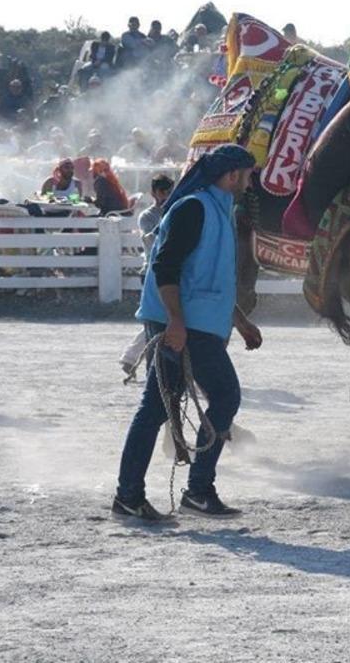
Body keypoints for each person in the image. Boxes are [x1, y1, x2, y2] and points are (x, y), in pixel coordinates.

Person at [114, 144, 263, 521]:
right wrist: (175, 322)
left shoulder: (217, 210)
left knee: (160, 406)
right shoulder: (194, 208)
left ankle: (141, 495)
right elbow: (166, 269)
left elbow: (208, 277)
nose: (249, 183)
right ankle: (184, 492)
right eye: (247, 175)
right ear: (232, 176)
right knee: (202, 399)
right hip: (181, 324)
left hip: (196, 323)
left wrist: (240, 321)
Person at [119, 173, 176, 376]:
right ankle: (139, 360)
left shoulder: (175, 211)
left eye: (169, 191)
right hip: (151, 271)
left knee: (162, 319)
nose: (166, 195)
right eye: (163, 192)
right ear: (154, 193)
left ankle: (131, 358)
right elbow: (151, 242)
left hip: (167, 271)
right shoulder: (148, 216)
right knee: (158, 319)